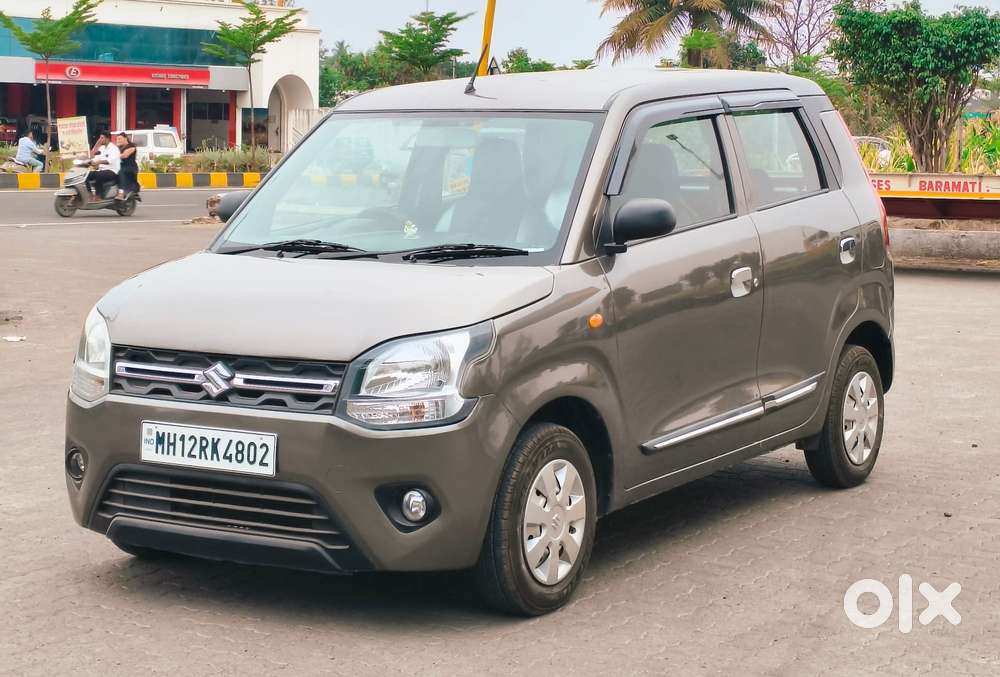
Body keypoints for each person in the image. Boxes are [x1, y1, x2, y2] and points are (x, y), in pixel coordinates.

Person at [87, 132, 120, 198]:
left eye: (102, 138)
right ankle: (89, 195)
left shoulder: (114, 148)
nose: (100, 140)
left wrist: (99, 162)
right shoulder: (101, 148)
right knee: (86, 175)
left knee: (99, 175)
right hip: (101, 170)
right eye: (100, 138)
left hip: (112, 171)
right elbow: (96, 158)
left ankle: (98, 196)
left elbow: (109, 161)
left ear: (107, 139)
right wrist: (89, 162)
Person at [114, 132, 139, 200]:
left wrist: (113, 157)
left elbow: (125, 155)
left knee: (120, 172)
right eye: (117, 139)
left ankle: (121, 194)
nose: (118, 140)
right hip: (121, 166)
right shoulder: (118, 148)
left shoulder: (131, 146)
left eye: (120, 139)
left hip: (130, 167)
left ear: (125, 138)